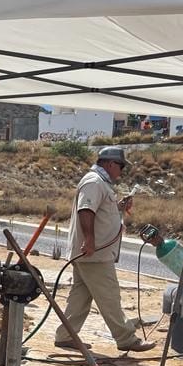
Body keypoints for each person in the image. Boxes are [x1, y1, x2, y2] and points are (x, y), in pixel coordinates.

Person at [56, 146, 155, 352]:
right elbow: (86, 210)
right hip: (95, 254)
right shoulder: (94, 182)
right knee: (109, 295)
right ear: (110, 164)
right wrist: (89, 240)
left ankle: (65, 336)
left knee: (81, 296)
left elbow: (99, 210)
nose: (121, 171)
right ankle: (126, 339)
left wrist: (118, 207)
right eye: (121, 166)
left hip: (92, 253)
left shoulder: (100, 183)